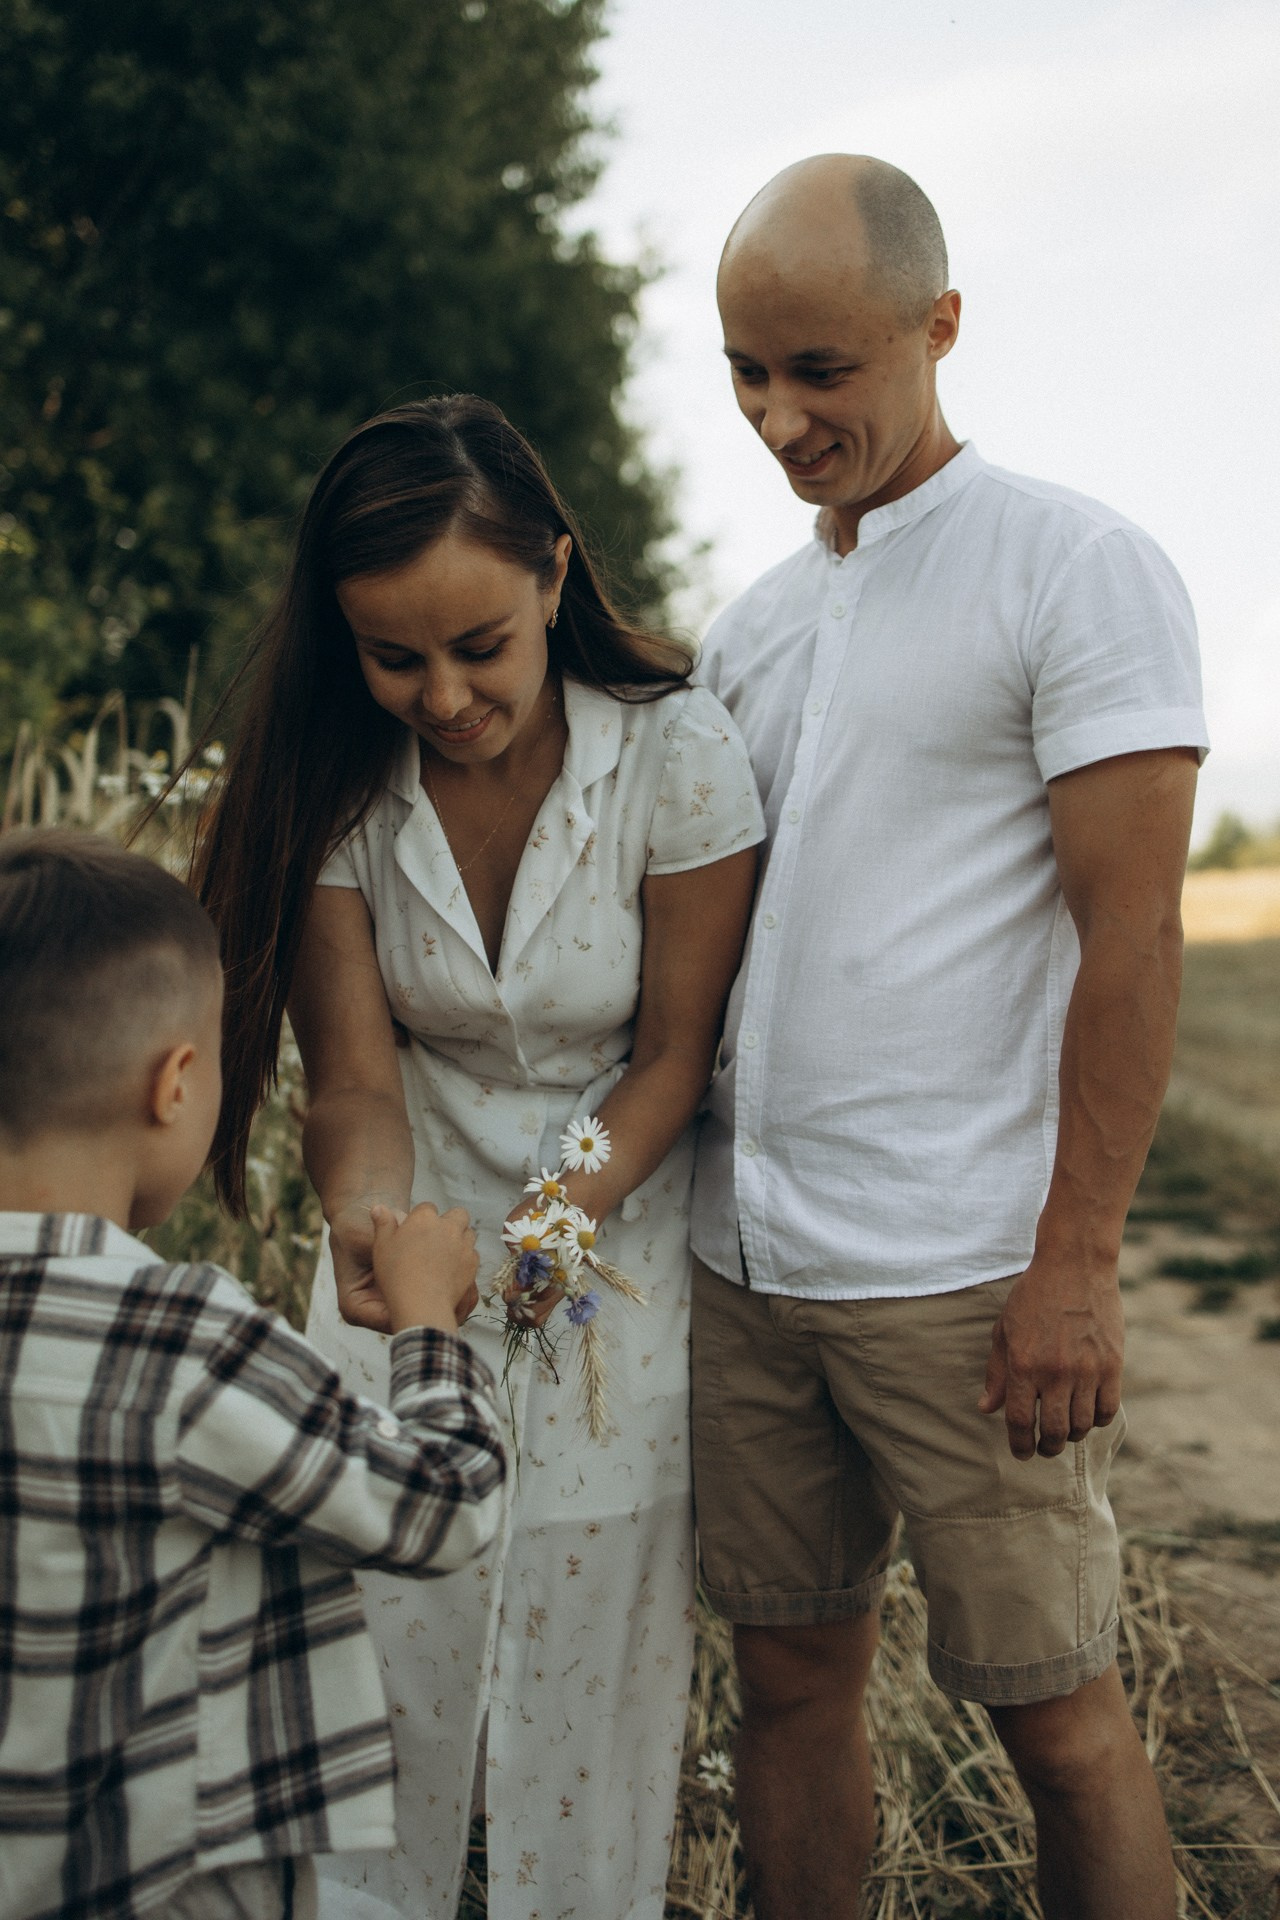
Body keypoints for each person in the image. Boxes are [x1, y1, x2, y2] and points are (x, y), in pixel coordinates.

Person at [688, 155, 1208, 1920]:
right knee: (788, 1683)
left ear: (941, 327)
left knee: (1058, 1723)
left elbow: (1133, 940)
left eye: (821, 371)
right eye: (748, 373)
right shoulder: (748, 631)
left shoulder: (1077, 567)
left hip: (964, 1276)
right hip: (742, 1263)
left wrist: (1076, 1262)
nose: (779, 417)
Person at [190, 395, 764, 1920]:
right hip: (407, 1261)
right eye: (395, 658)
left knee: (593, 1684)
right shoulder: (342, 793)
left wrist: (553, 1230)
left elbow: (673, 1060)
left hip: (614, 1254)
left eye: (478, 648)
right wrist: (384, 1240)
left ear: (555, 576)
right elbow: (358, 1081)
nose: (441, 695)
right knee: (381, 1662)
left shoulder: (679, 756)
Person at [0, 830, 506, 1920]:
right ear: (176, 1084)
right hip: (163, 1884)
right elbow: (439, 1508)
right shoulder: (178, 1345)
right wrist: (425, 1327)